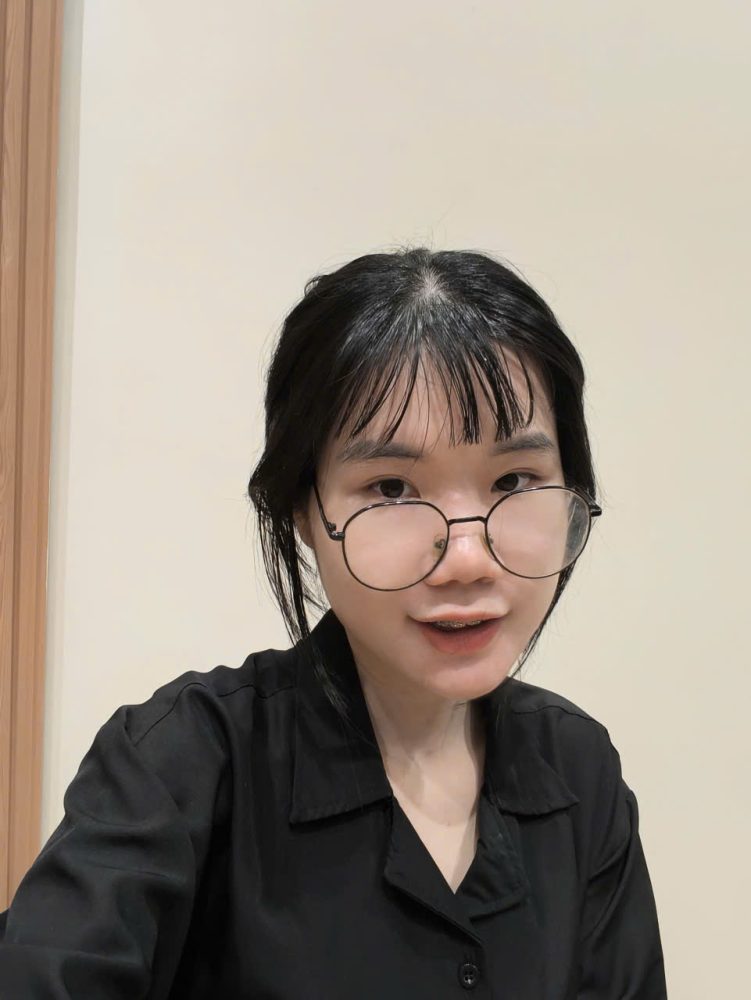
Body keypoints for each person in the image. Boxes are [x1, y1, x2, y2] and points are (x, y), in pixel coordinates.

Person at [0, 247, 667, 998]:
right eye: (391, 488)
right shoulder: (181, 762)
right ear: (302, 510)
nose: (467, 558)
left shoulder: (580, 772)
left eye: (515, 480)